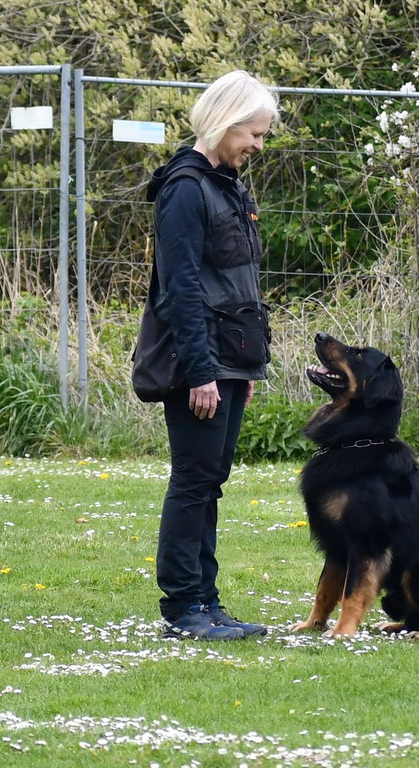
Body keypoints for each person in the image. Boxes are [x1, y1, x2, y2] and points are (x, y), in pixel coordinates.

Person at [144, 70, 279, 641]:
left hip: (231, 360)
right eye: (253, 133)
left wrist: (247, 366)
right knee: (194, 481)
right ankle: (182, 609)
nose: (258, 146)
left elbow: (238, 283)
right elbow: (182, 291)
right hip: (197, 364)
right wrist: (202, 372)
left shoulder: (227, 186)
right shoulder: (183, 189)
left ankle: (209, 602)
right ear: (225, 122)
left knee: (211, 480)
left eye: (263, 135)